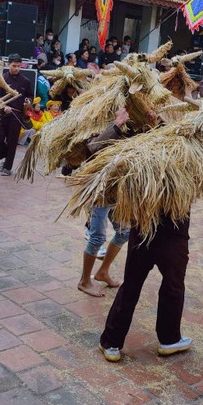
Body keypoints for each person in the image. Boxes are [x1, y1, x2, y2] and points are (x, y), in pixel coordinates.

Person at [99, 169, 203, 362]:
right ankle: (161, 339)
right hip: (156, 228)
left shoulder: (186, 151)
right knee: (157, 285)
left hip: (156, 228)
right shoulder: (148, 144)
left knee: (151, 285)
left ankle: (119, 341)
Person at [78, 109, 132, 298]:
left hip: (116, 189)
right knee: (97, 237)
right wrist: (116, 125)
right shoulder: (95, 117)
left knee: (125, 232)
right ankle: (84, 281)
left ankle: (103, 272)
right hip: (98, 190)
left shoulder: (131, 121)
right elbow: (92, 147)